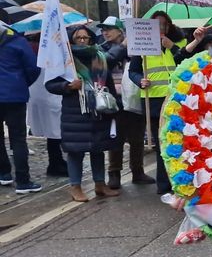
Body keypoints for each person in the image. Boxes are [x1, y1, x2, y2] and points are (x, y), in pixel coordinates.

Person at [45, 26, 122, 201]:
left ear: (90, 39)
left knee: (98, 148)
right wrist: (68, 86)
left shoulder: (99, 56)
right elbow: (50, 84)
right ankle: (75, 187)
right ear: (71, 40)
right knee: (76, 151)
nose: (81, 40)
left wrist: (115, 104)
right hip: (75, 112)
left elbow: (108, 81)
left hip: (99, 109)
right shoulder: (66, 60)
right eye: (78, 37)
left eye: (85, 37)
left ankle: (100, 184)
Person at [128, 11, 186, 195]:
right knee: (163, 143)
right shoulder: (142, 46)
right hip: (153, 101)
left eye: (164, 24)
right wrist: (140, 80)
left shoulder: (178, 43)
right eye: (157, 24)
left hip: (176, 99)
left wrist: (172, 47)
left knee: (178, 141)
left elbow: (186, 62)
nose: (161, 28)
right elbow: (133, 71)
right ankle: (164, 185)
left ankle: (180, 181)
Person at [99, 16, 155, 189]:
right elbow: (106, 61)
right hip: (115, 99)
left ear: (120, 31)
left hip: (135, 97)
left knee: (137, 137)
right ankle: (114, 172)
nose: (105, 32)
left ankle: (137, 171)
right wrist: (123, 47)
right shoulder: (102, 48)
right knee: (115, 137)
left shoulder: (136, 46)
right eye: (103, 29)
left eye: (109, 29)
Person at [0, 22, 42, 194]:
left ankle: (3, 173)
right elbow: (33, 68)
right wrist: (22, 83)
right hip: (14, 96)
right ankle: (23, 181)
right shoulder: (17, 41)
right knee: (18, 139)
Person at [24, 32, 67, 178]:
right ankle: (56, 163)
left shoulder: (28, 47)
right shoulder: (49, 49)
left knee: (53, 131)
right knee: (55, 131)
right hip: (50, 93)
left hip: (38, 93)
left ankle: (56, 161)